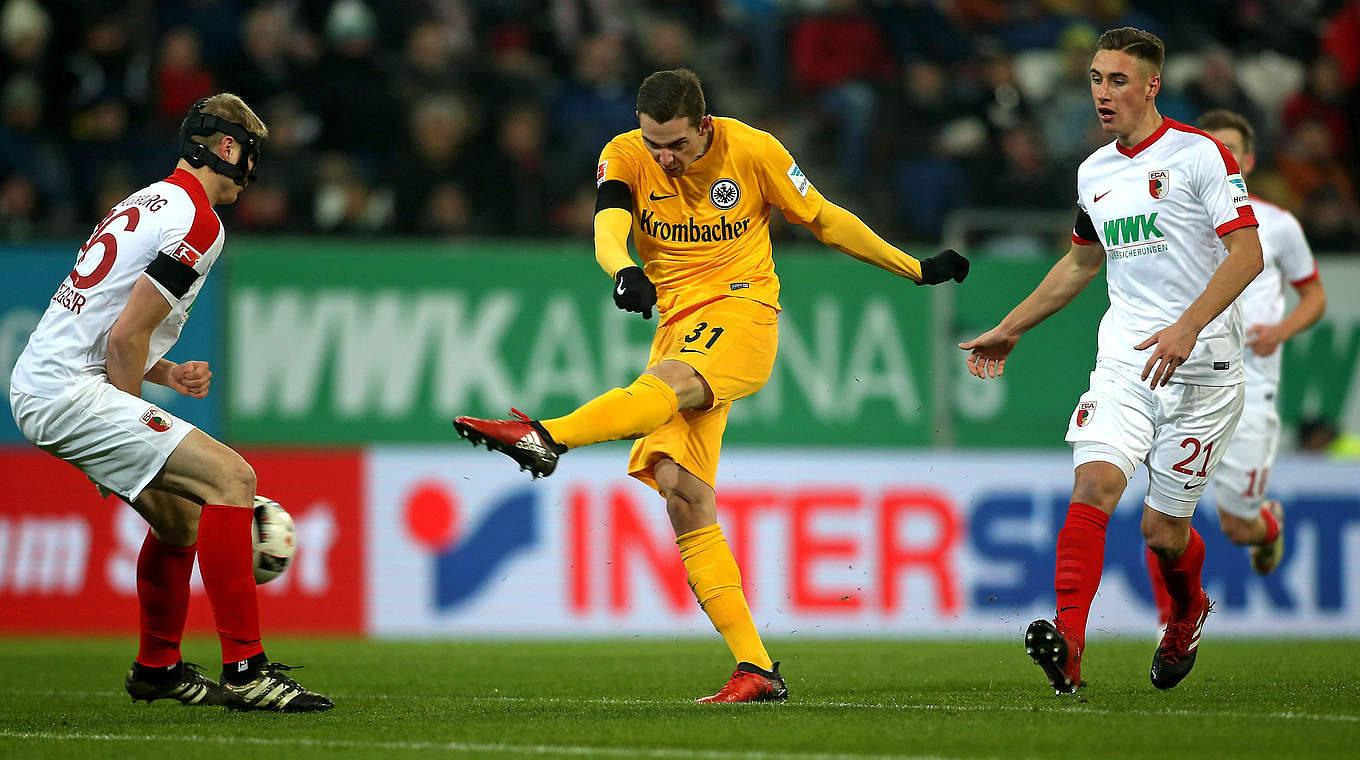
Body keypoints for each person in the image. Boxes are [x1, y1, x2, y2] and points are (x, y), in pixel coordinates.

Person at [453, 68, 969, 703]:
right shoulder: (623, 154)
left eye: (675, 144)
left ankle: (544, 436)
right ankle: (757, 668)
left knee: (668, 385)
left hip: (742, 312)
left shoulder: (753, 151)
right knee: (683, 496)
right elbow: (608, 225)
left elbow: (826, 219)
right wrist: (623, 271)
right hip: (678, 325)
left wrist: (913, 267)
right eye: (653, 143)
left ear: (704, 125)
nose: (663, 157)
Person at [958, 28, 1265, 694]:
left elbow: (1248, 255)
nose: (1103, 92)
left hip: (1202, 372)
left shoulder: (1200, 155)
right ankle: (1069, 645)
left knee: (1162, 532)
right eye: (1096, 79)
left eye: (1117, 80)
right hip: (1125, 364)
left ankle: (1187, 612)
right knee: (1092, 488)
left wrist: (1187, 326)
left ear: (1151, 85)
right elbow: (1080, 262)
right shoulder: (1094, 171)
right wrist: (1011, 328)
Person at [8, 93, 332, 712]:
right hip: (68, 390)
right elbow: (125, 338)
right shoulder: (198, 222)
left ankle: (157, 669)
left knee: (182, 520)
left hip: (46, 380)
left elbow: (106, 329)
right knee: (235, 478)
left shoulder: (144, 201)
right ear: (228, 149)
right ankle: (247, 671)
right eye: (251, 155)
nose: (252, 173)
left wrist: (166, 372)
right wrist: (133, 419)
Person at [1144, 110, 1327, 623]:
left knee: (1236, 528)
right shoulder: (1174, 215)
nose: (1219, 157)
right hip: (1185, 373)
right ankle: (1171, 620)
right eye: (1211, 146)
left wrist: (1282, 331)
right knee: (1162, 513)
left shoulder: (1279, 224)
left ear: (1246, 160)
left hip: (1252, 377)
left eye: (1230, 149)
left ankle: (1267, 525)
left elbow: (1314, 296)